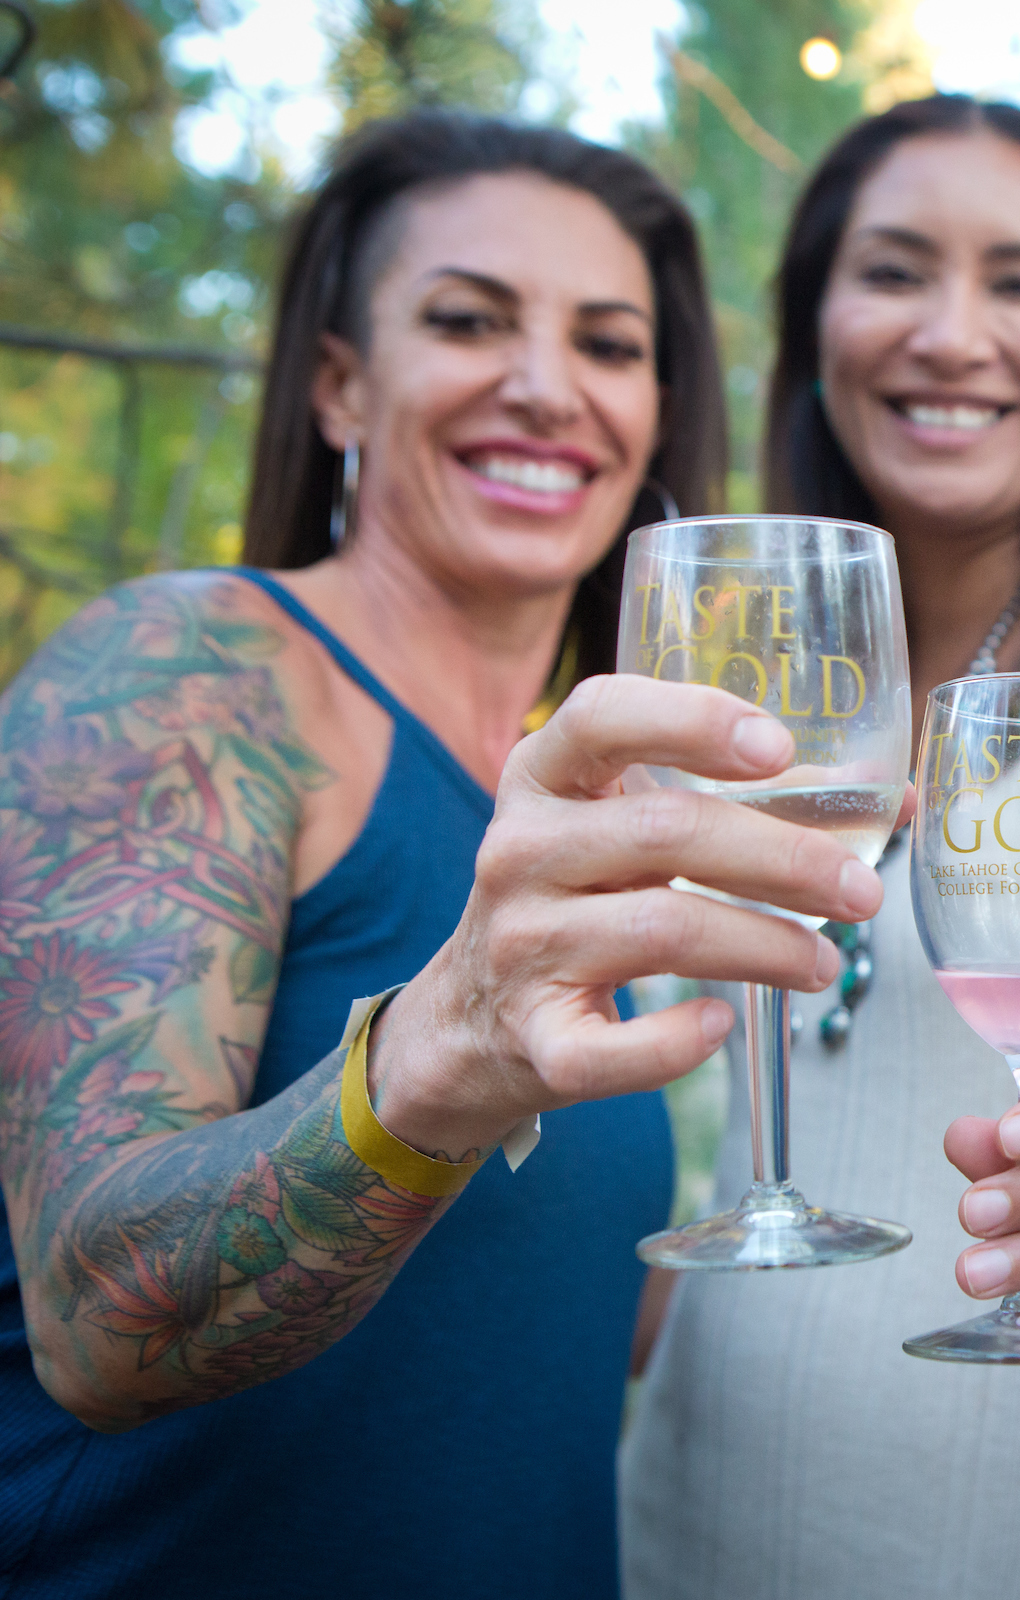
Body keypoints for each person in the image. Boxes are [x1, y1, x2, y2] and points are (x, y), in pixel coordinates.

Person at [0, 111, 774, 1597]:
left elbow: (539, 1340)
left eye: (609, 346)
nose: (547, 387)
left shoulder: (610, 813)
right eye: (471, 320)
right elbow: (99, 1317)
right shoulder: (190, 674)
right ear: (343, 384)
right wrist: (432, 1059)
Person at [619, 96, 1020, 1600]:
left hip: (1016, 1520)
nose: (951, 333)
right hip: (689, 1488)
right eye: (897, 270)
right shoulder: (745, 687)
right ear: (816, 324)